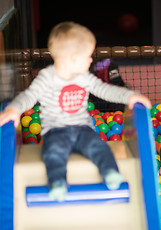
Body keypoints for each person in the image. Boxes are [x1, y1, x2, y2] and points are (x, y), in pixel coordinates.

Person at [0, 22, 152, 201]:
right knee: (53, 153)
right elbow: (29, 96)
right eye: (87, 56)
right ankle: (57, 182)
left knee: (99, 147)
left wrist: (129, 96)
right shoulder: (47, 78)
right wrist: (13, 109)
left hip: (82, 128)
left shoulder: (83, 77)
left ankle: (110, 172)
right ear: (72, 58)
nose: (90, 61)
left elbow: (105, 90)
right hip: (55, 130)